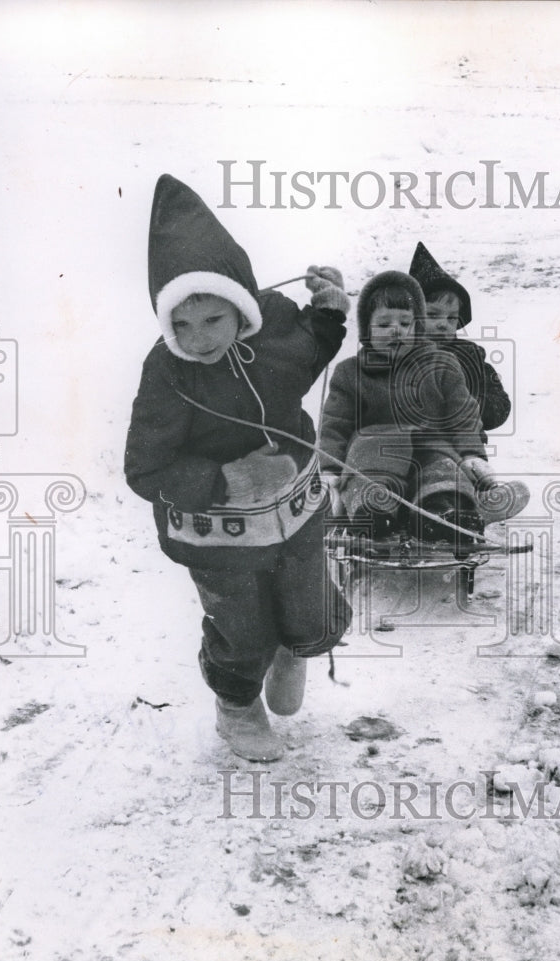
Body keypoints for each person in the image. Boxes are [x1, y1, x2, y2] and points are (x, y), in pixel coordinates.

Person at [125, 174, 351, 763]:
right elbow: (143, 469)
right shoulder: (168, 375)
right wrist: (223, 479)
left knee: (311, 611)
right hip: (219, 533)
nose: (196, 339)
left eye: (211, 320)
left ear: (240, 305)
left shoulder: (271, 326)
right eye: (180, 323)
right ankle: (236, 707)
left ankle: (295, 649)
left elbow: (307, 353)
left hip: (293, 512)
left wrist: (329, 313)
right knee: (242, 628)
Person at [319, 271, 524, 551]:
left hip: (431, 445)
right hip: (374, 450)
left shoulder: (443, 364)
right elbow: (335, 423)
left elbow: (463, 415)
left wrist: (472, 454)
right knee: (368, 471)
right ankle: (372, 514)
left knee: (443, 470)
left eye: (405, 323)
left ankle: (442, 514)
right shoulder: (350, 372)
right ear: (366, 329)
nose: (396, 331)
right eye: (383, 324)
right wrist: (330, 470)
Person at [409, 241, 512, 437]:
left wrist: (466, 403)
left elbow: (500, 406)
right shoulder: (397, 353)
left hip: (464, 448)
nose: (443, 324)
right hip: (410, 447)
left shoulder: (470, 356)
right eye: (432, 315)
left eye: (451, 318)